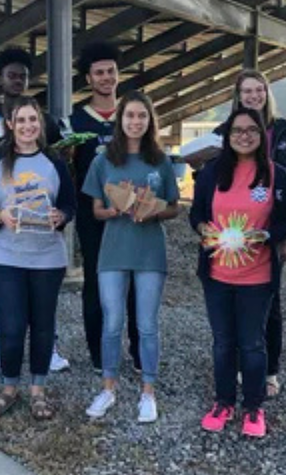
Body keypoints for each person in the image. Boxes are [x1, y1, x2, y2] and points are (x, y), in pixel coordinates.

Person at [189, 107, 286, 438]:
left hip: (258, 277)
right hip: (217, 275)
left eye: (251, 130)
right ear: (227, 136)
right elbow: (196, 214)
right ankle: (223, 402)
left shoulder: (278, 175)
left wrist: (265, 236)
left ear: (261, 134)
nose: (244, 136)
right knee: (223, 343)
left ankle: (253, 406)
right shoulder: (211, 173)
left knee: (252, 344)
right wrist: (203, 227)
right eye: (237, 131)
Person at [81, 91, 180, 423]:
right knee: (112, 323)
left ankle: (148, 392)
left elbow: (174, 207)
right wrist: (115, 209)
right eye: (130, 116)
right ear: (120, 120)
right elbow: (95, 209)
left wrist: (152, 211)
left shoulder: (160, 161)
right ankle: (108, 388)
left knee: (147, 325)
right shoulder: (103, 160)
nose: (136, 122)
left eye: (142, 116)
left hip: (150, 251)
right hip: (113, 250)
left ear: (150, 121)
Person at [0, 97, 76, 421]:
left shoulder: (54, 161)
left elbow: (70, 205)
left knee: (43, 326)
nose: (28, 126)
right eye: (21, 121)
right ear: (10, 125)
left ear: (40, 124)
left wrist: (62, 216)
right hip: (6, 255)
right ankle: (8, 387)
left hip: (48, 256)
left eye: (33, 120)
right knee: (12, 325)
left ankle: (38, 389)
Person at [0, 47, 69, 374]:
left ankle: (50, 346)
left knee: (43, 295)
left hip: (42, 224)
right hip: (4, 216)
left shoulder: (44, 119)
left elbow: (59, 155)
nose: (18, 80)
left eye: (23, 76)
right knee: (0, 288)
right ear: (0, 79)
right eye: (12, 75)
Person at [222, 69, 286, 398]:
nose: (253, 96)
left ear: (267, 93)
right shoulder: (225, 131)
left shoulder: (284, 131)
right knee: (232, 302)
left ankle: (270, 370)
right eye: (247, 91)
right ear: (238, 96)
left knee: (271, 302)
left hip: (272, 231)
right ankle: (240, 363)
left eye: (259, 90)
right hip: (233, 232)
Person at [69, 41, 143, 375]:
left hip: (133, 213)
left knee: (135, 282)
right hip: (93, 215)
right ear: (88, 77)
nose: (106, 78)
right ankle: (100, 354)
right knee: (97, 282)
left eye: (111, 71)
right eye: (99, 72)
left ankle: (140, 351)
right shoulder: (74, 122)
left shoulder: (133, 115)